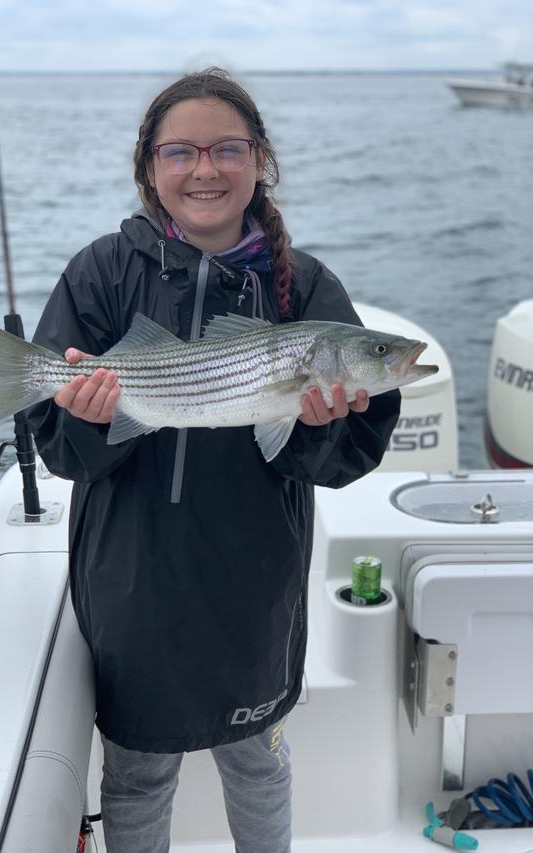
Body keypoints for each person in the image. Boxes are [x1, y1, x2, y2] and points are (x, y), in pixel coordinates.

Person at [26, 67, 400, 853]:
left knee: (257, 763)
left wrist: (319, 425)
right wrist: (92, 419)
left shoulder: (306, 287)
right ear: (149, 166)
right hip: (132, 583)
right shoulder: (100, 272)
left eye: (227, 149)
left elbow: (344, 456)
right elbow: (60, 449)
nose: (205, 169)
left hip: (253, 584)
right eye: (181, 152)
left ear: (259, 160)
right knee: (136, 775)